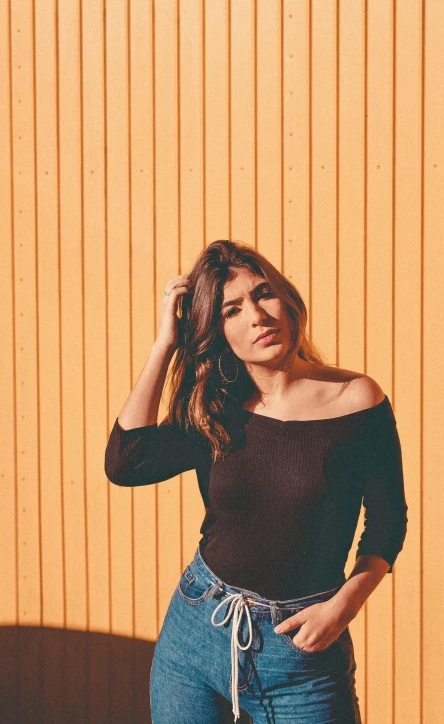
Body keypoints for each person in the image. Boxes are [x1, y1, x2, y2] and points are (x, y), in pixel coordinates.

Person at [104, 239, 408, 724]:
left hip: (301, 655)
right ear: (217, 331)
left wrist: (342, 608)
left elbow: (388, 522)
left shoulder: (356, 400)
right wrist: (165, 342)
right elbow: (126, 462)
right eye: (232, 309)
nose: (258, 316)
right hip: (196, 630)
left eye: (263, 294)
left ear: (287, 300)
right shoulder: (215, 413)